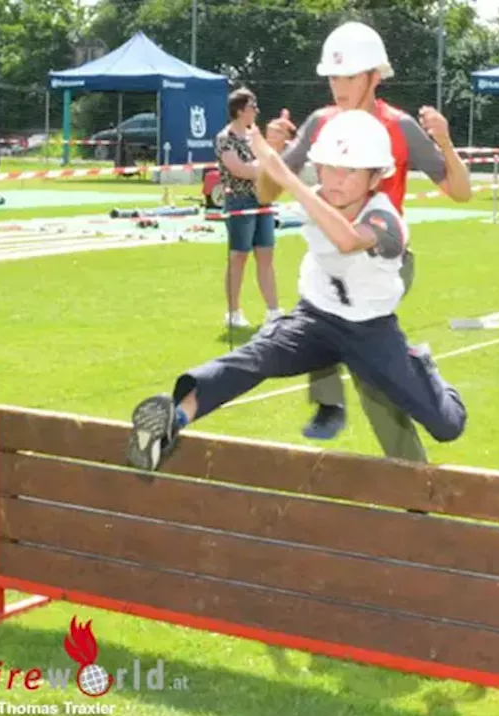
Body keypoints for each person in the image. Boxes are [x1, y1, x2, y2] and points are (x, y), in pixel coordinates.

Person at [125, 111, 466, 472]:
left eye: (350, 171)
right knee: (254, 358)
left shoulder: (386, 219)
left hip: (371, 331)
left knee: (447, 426)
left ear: (376, 177)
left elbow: (348, 239)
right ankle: (171, 420)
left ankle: (422, 366)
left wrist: (289, 177)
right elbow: (264, 185)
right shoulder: (316, 195)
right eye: (329, 167)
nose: (336, 180)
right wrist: (271, 151)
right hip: (314, 319)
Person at [259, 21, 472, 462]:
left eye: (350, 76)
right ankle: (349, 417)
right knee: (335, 329)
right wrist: (273, 154)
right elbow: (266, 193)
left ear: (376, 76)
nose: (338, 87)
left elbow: (460, 190)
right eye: (333, 77)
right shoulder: (320, 123)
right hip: (333, 264)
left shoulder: (402, 127)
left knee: (354, 347)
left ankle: (408, 472)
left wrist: (447, 143)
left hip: (384, 260)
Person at [216, 87, 280, 330]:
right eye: (253, 107)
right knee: (238, 257)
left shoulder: (255, 136)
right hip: (239, 201)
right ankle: (233, 312)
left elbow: (270, 159)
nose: (256, 111)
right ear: (240, 110)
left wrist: (264, 164)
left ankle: (273, 311)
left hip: (262, 199)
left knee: (266, 254)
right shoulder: (225, 138)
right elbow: (238, 170)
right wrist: (262, 167)